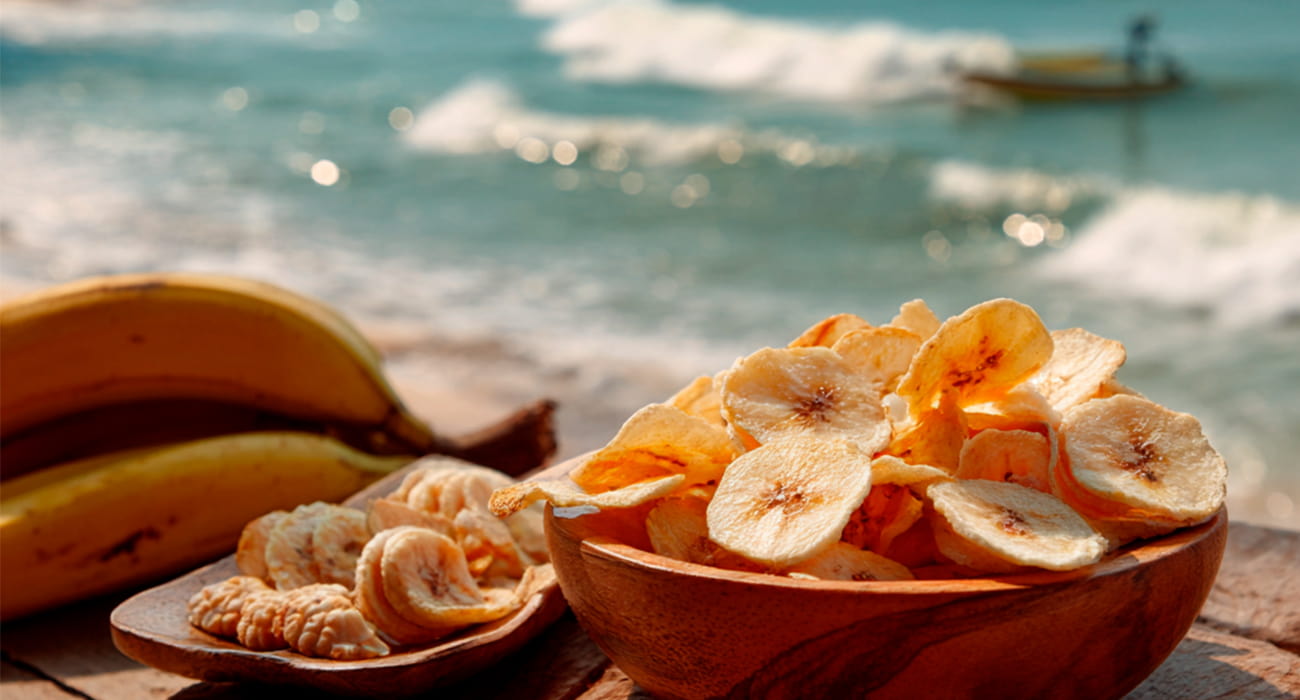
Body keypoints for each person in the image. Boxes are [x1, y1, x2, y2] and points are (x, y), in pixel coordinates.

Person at [1125, 14, 1157, 81]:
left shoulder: (1140, 28)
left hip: (1136, 47)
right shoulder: (1141, 28)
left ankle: (1135, 75)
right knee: (1138, 59)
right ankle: (1135, 75)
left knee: (1138, 60)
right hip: (1137, 47)